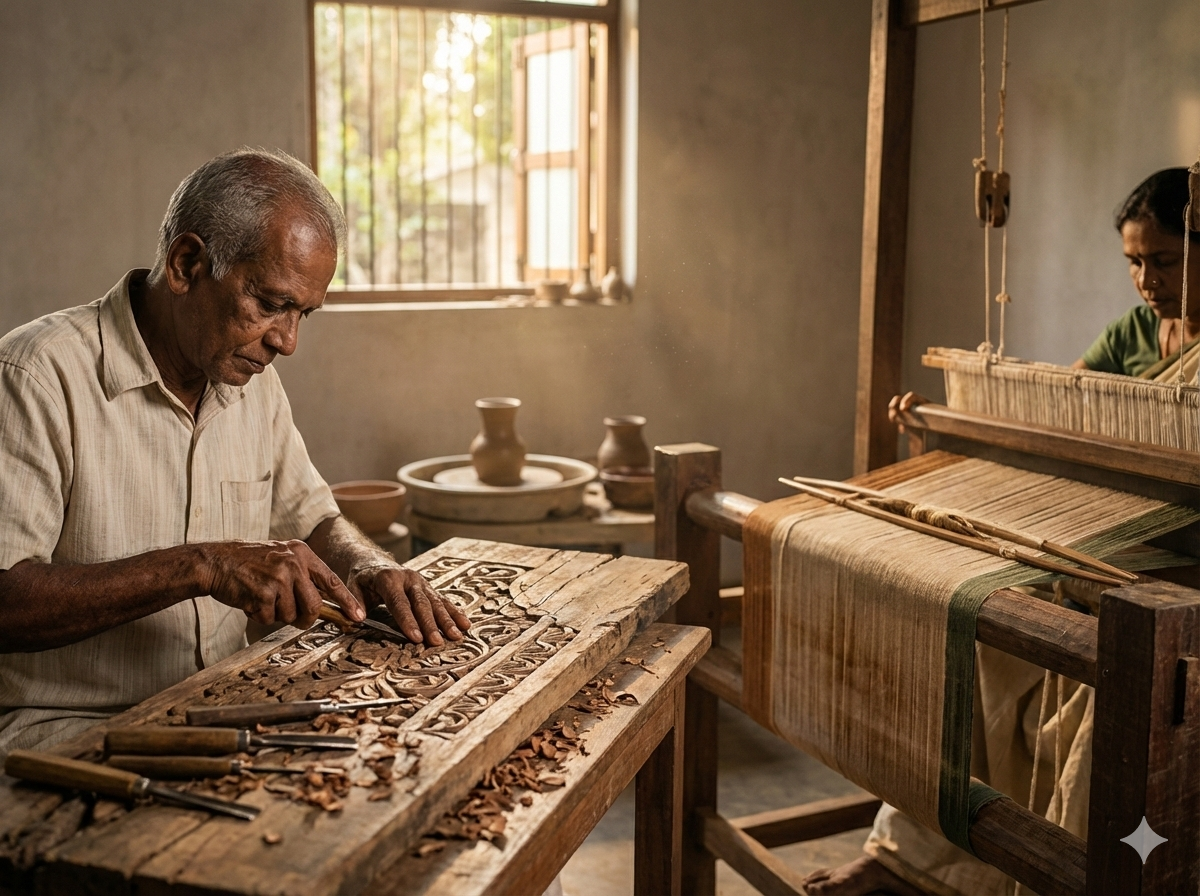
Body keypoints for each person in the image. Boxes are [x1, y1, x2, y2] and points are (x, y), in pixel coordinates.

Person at [0, 149, 470, 755]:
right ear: (187, 263)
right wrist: (203, 566)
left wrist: (366, 565)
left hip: (226, 705)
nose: (288, 341)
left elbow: (312, 518)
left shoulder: (250, 378)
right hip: (67, 735)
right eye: (271, 303)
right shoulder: (36, 376)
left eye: (303, 313)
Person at [1075, 166, 1200, 380]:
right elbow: (1064, 396)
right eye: (1135, 262)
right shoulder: (1133, 332)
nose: (1145, 281)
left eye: (1164, 261)